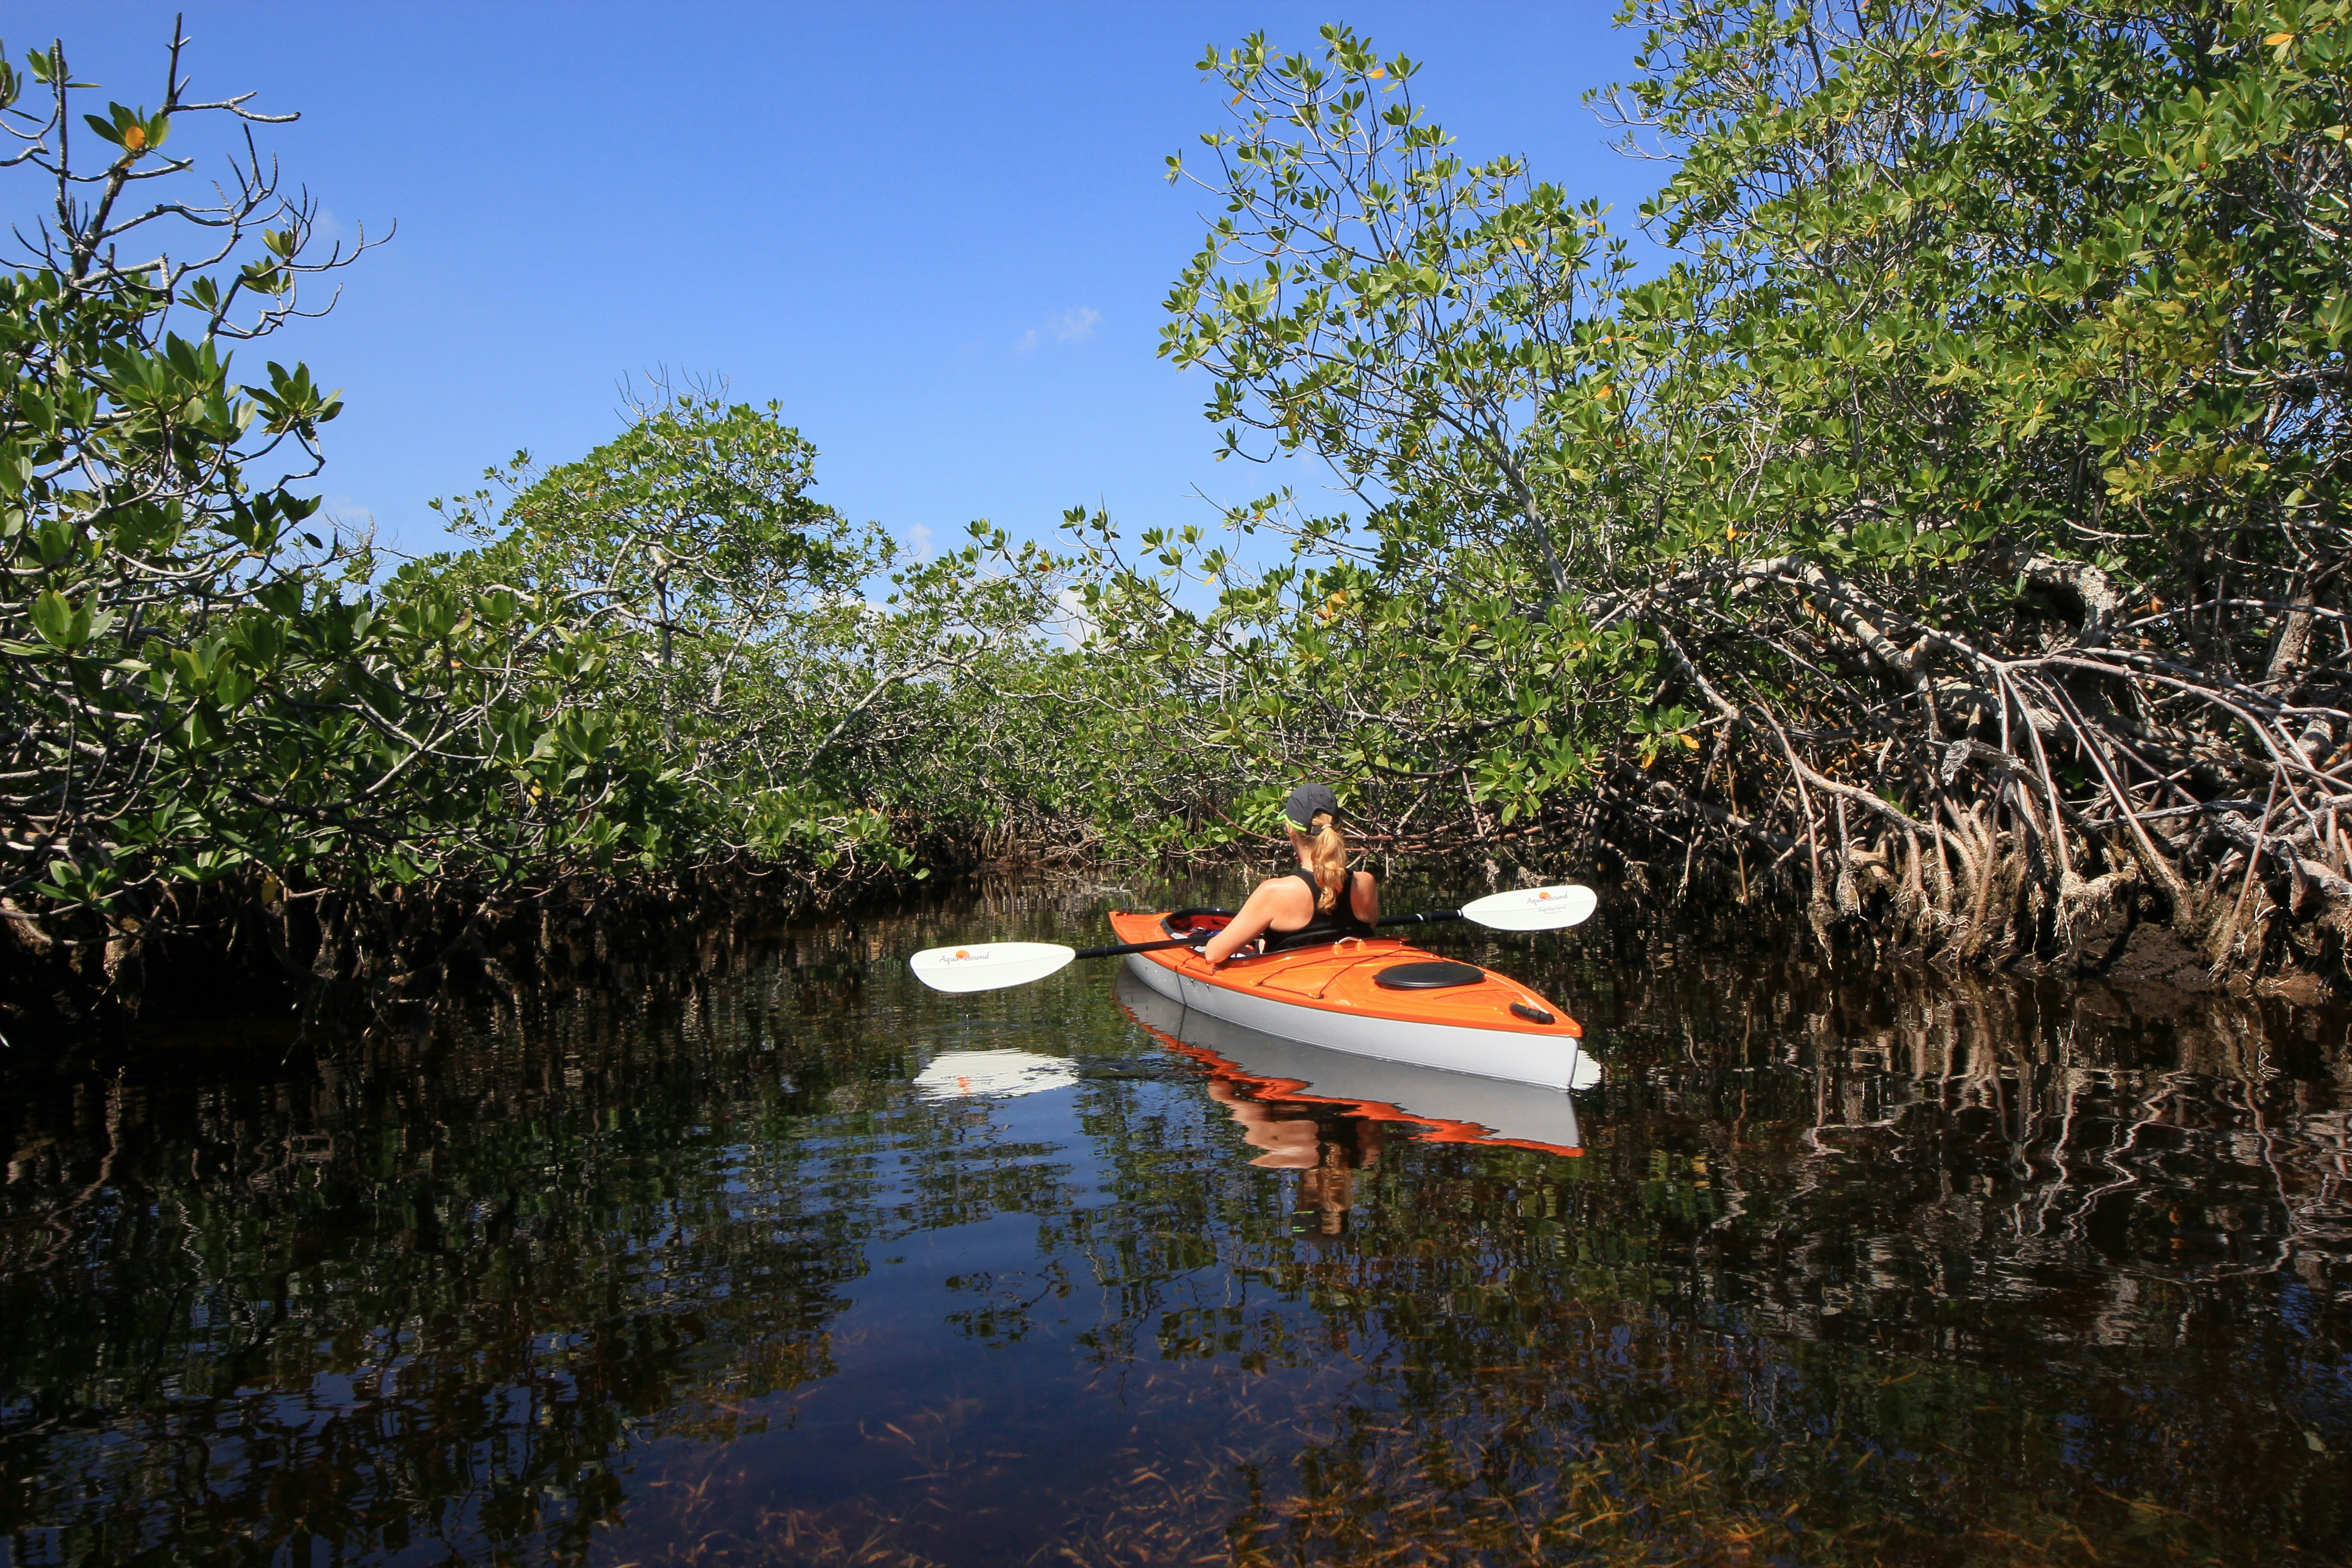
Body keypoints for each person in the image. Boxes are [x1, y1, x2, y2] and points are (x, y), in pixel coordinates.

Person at [1199, 782, 1381, 965]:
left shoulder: (1275, 891)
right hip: (1347, 976)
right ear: (1338, 828)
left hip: (1297, 984)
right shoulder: (1366, 883)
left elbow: (1214, 954)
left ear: (1290, 830)